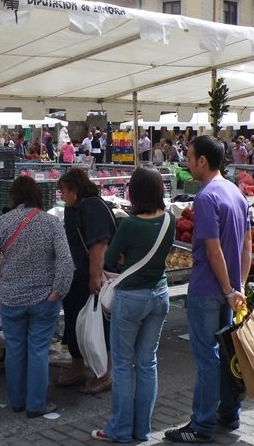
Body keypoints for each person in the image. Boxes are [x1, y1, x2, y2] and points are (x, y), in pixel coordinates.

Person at [165, 136, 250, 443]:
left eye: (189, 158)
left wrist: (229, 289)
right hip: (228, 290)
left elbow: (213, 249)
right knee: (226, 352)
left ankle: (201, 425)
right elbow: (246, 244)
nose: (187, 164)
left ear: (202, 161)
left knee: (207, 359)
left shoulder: (205, 197)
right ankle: (229, 412)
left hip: (207, 288)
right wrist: (237, 286)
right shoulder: (236, 193)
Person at [91, 167, 175, 443]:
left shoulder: (129, 224)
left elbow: (111, 258)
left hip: (131, 298)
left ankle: (120, 429)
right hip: (159, 294)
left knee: (124, 364)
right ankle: (142, 429)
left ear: (134, 192)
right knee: (148, 362)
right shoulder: (169, 220)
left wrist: (127, 256)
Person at [0, 176, 73, 418]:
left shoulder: (3, 222)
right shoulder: (52, 223)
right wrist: (58, 291)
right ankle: (36, 405)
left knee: (14, 349)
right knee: (39, 351)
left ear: (13, 197)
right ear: (38, 196)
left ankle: (17, 401)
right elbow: (66, 260)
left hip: (11, 299)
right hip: (44, 299)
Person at [56, 167, 117, 394]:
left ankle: (105, 374)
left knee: (100, 326)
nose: (61, 195)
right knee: (74, 323)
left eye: (63, 190)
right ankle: (77, 368)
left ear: (75, 188)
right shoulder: (76, 208)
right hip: (77, 277)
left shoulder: (92, 206)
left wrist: (94, 277)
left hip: (95, 277)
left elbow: (98, 244)